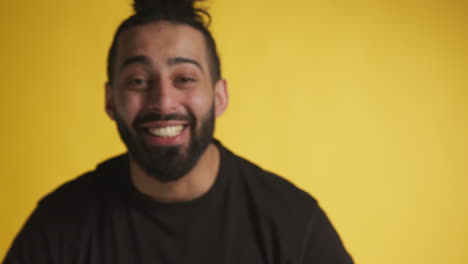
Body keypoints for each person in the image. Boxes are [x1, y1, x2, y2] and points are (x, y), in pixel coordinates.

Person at [4, 0, 353, 263]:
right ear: (111, 101)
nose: (163, 100)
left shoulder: (292, 223)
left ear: (219, 97)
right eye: (139, 81)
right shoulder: (58, 225)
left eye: (184, 79)